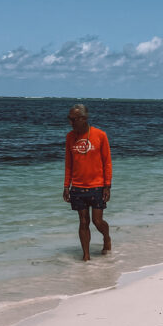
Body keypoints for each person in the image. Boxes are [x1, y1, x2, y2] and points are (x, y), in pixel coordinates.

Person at [63, 103, 113, 261]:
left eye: (73, 119)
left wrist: (107, 186)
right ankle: (86, 256)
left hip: (97, 186)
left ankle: (106, 237)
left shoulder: (100, 135)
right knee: (83, 221)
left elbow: (107, 162)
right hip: (77, 187)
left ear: (83, 119)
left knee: (97, 221)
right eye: (69, 119)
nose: (70, 122)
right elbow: (69, 164)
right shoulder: (70, 137)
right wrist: (66, 186)